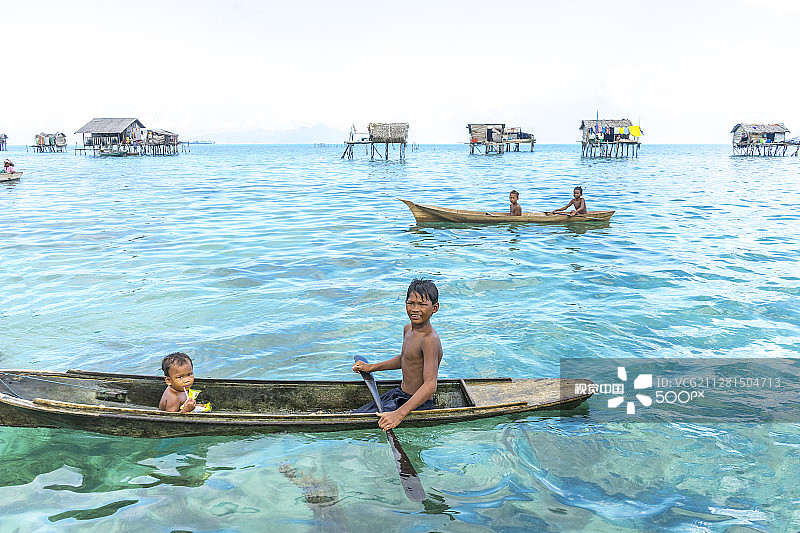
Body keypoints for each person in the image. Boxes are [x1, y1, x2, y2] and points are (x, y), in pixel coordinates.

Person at [352, 278, 443, 431]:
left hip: (417, 404)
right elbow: (405, 359)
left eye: (421, 304)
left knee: (361, 426)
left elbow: (430, 385)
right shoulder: (408, 329)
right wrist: (371, 367)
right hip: (399, 394)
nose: (415, 309)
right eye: (411, 303)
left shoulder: (429, 340)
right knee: (356, 415)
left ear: (434, 308)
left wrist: (399, 414)